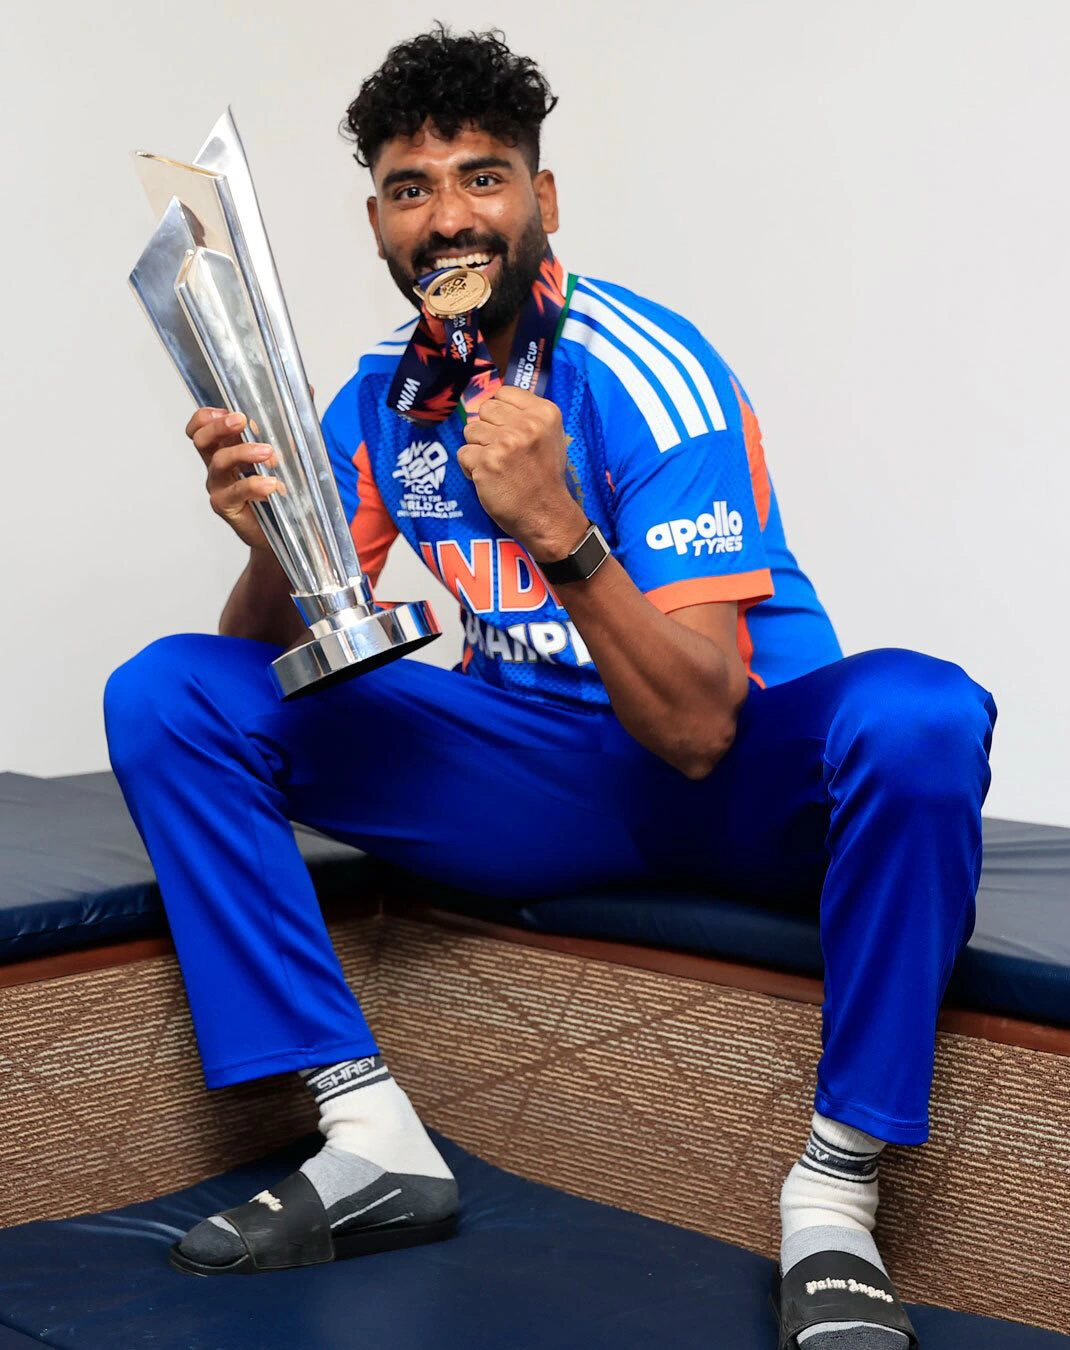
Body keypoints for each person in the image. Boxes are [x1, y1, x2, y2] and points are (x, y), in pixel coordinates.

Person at [105, 24, 995, 1346]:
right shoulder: (379, 397)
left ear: (543, 200)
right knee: (173, 689)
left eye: (483, 177)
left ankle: (836, 1193)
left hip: (737, 779)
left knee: (920, 715)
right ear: (376, 221)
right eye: (413, 188)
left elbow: (699, 723)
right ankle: (367, 1132)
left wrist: (561, 532)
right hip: (536, 770)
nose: (449, 215)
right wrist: (270, 552)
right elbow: (293, 650)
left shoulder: (648, 367)